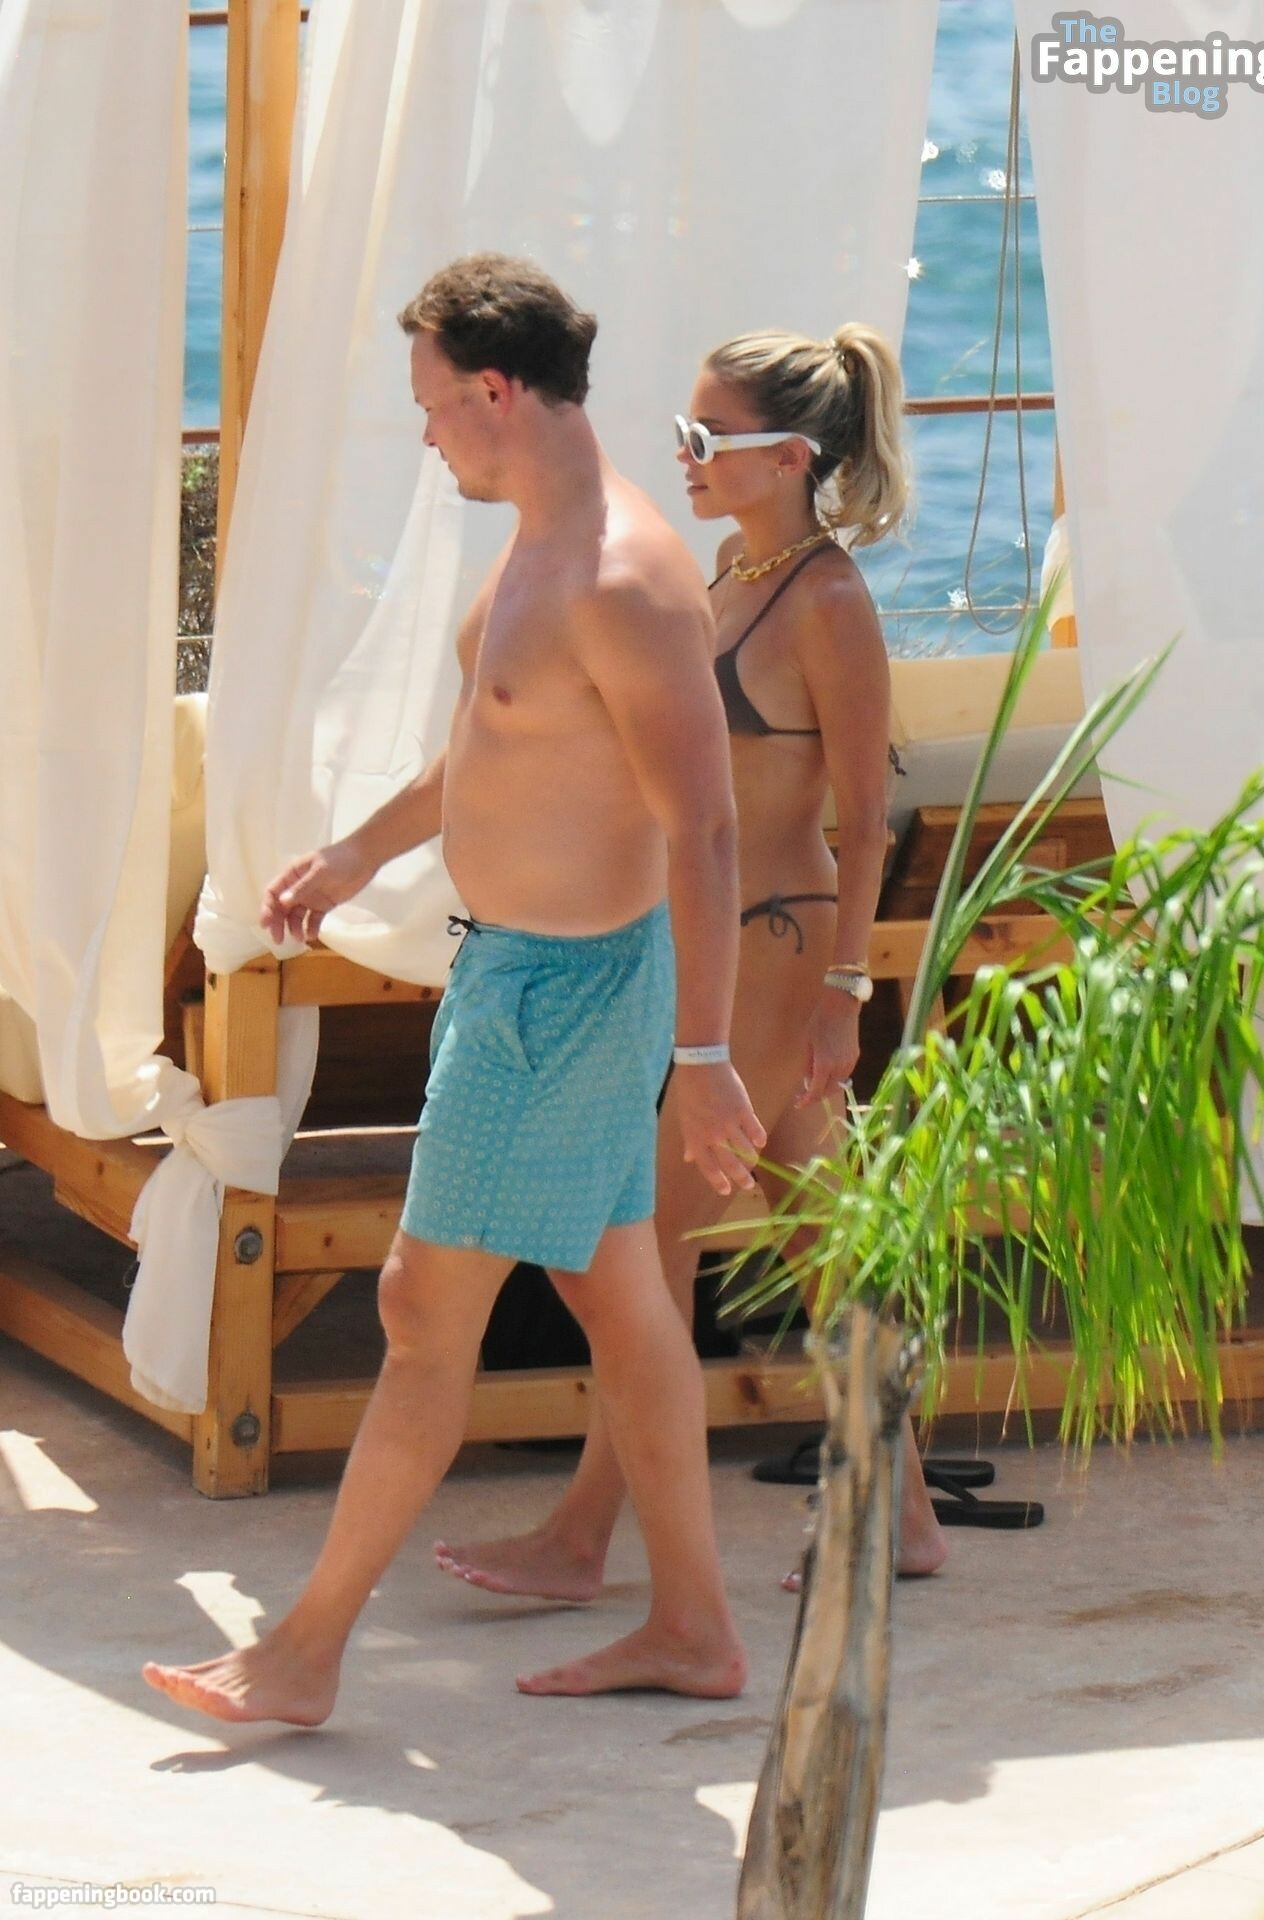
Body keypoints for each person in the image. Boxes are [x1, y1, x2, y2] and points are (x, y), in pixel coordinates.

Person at [142, 253, 768, 1726]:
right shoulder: (540, 545)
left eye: (431, 406)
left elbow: (706, 826)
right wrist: (359, 848)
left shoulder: (623, 578)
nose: (425, 434)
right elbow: (497, 741)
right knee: (618, 1298)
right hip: (525, 976)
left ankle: (303, 1652)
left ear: (495, 391)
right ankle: (691, 1625)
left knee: (423, 1308)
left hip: (560, 997)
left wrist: (704, 1058)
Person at [435, 324, 948, 1604]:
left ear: (789, 456)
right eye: (681, 431)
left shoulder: (827, 604)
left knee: (649, 1237)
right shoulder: (727, 569)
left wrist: (845, 995)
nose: (684, 454)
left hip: (778, 945)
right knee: (824, 1231)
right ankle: (902, 1512)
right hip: (706, 943)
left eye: (707, 437)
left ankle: (585, 1534)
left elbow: (864, 820)